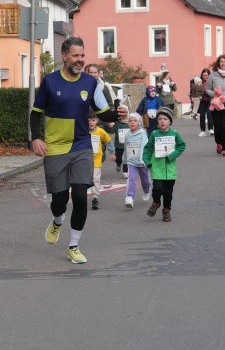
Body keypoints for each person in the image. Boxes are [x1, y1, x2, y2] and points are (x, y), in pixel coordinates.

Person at [30, 37, 127, 264]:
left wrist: (117, 114)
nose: (80, 60)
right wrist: (36, 138)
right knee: (60, 199)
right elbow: (36, 113)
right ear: (64, 56)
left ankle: (73, 246)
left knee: (81, 195)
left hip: (81, 145)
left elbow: (103, 113)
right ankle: (57, 220)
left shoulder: (90, 83)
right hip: (55, 147)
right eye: (76, 55)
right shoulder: (50, 81)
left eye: (82, 55)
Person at [143, 107, 186, 222]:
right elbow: (147, 149)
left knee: (168, 192)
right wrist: (147, 162)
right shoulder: (154, 134)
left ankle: (166, 210)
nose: (162, 121)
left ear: (170, 121)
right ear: (157, 121)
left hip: (170, 169)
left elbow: (182, 146)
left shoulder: (174, 134)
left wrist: (172, 155)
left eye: (165, 119)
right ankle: (156, 202)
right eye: (160, 119)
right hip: (157, 167)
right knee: (157, 188)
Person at [88, 110, 116, 210]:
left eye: (93, 120)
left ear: (97, 121)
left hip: (96, 160)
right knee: (84, 180)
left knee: (95, 179)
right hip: (84, 160)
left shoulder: (100, 131)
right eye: (89, 120)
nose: (91, 122)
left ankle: (95, 198)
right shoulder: (83, 130)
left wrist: (112, 152)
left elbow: (108, 140)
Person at [123, 113, 151, 209]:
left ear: (139, 123)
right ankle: (129, 197)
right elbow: (125, 147)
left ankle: (146, 191)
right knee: (131, 179)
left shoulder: (143, 134)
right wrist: (124, 159)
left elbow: (144, 147)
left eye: (135, 121)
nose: (132, 123)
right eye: (130, 121)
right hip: (131, 162)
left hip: (142, 162)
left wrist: (143, 160)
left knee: (145, 181)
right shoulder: (127, 135)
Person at [196, 68, 214, 137]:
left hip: (210, 100)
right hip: (202, 101)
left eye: (207, 75)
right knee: (202, 115)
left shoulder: (212, 82)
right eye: (204, 75)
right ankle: (202, 131)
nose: (205, 77)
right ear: (202, 75)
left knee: (209, 113)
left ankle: (211, 129)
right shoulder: (199, 82)